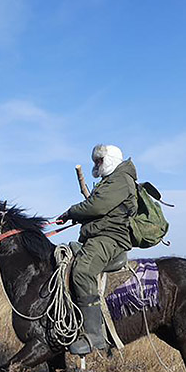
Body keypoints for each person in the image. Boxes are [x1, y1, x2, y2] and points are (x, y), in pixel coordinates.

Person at [56, 144, 138, 355]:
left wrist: (71, 211)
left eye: (99, 161)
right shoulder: (110, 180)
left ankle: (94, 336)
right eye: (95, 161)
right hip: (98, 236)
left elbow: (97, 206)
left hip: (110, 238)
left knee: (82, 271)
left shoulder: (120, 179)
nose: (97, 165)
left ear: (110, 159)